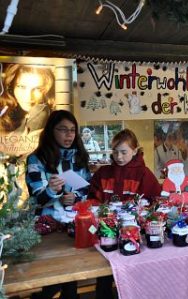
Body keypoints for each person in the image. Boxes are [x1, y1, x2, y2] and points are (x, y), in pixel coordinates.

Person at [26, 110, 91, 299]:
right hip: (47, 230)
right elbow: (35, 199)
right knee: (49, 280)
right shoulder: (36, 159)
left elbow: (87, 191)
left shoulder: (79, 158)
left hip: (73, 227)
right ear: (51, 131)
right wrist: (53, 192)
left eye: (72, 130)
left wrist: (75, 197)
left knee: (71, 278)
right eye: (63, 129)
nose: (69, 134)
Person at [88, 128, 161, 204]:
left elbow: (156, 201)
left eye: (124, 152)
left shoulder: (144, 174)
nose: (119, 157)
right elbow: (92, 199)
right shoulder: (102, 173)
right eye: (115, 152)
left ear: (134, 151)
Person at [0, 64, 55, 135]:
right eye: (21, 87)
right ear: (11, 87)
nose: (28, 96)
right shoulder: (4, 111)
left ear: (48, 91)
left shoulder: (46, 115)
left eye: (37, 89)